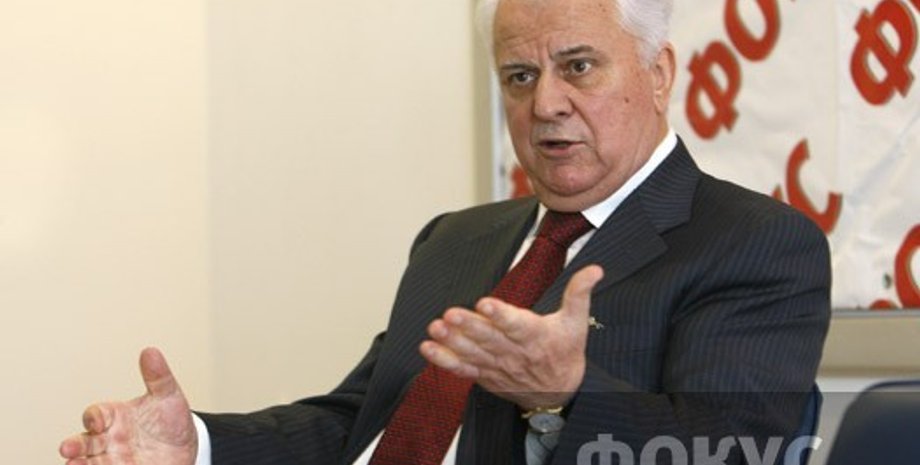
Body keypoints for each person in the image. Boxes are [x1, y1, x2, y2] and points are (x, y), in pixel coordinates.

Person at [59, 0, 831, 464]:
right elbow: (357, 424)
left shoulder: (753, 244)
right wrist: (196, 444)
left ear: (658, 74)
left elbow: (731, 451)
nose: (546, 103)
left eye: (579, 67)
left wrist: (565, 396)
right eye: (520, 77)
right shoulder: (456, 239)